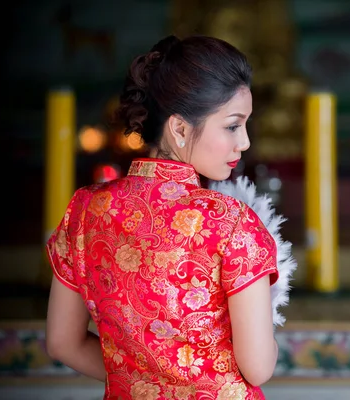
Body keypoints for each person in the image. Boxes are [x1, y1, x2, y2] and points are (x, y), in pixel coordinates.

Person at [45, 34, 280, 400]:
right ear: (180, 128)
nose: (245, 142)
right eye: (233, 125)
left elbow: (62, 344)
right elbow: (258, 366)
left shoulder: (84, 210)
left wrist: (141, 384)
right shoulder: (231, 221)